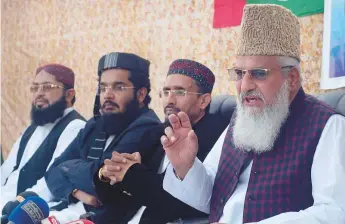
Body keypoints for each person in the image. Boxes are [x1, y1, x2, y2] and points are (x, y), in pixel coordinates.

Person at [161, 4, 345, 224]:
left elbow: (335, 212)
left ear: (292, 78)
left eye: (259, 74)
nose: (244, 85)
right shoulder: (239, 121)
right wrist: (186, 166)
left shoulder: (328, 126)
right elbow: (211, 198)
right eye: (239, 73)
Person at [93, 59, 231, 223]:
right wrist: (106, 173)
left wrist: (132, 174)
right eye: (166, 92)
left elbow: (180, 203)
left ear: (204, 101)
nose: (170, 100)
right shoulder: (156, 131)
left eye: (179, 92)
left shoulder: (216, 137)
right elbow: (116, 193)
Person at [44, 52, 161, 223]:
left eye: (118, 87)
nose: (107, 95)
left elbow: (102, 180)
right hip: (66, 211)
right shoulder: (95, 125)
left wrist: (67, 167)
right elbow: (52, 172)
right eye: (103, 87)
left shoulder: (147, 127)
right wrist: (75, 192)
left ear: (141, 94)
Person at [0, 64, 86, 210]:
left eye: (47, 87)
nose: (39, 93)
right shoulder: (33, 127)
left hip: (32, 209)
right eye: (35, 87)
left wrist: (16, 206)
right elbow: (7, 170)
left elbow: (52, 184)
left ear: (69, 94)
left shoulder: (75, 126)